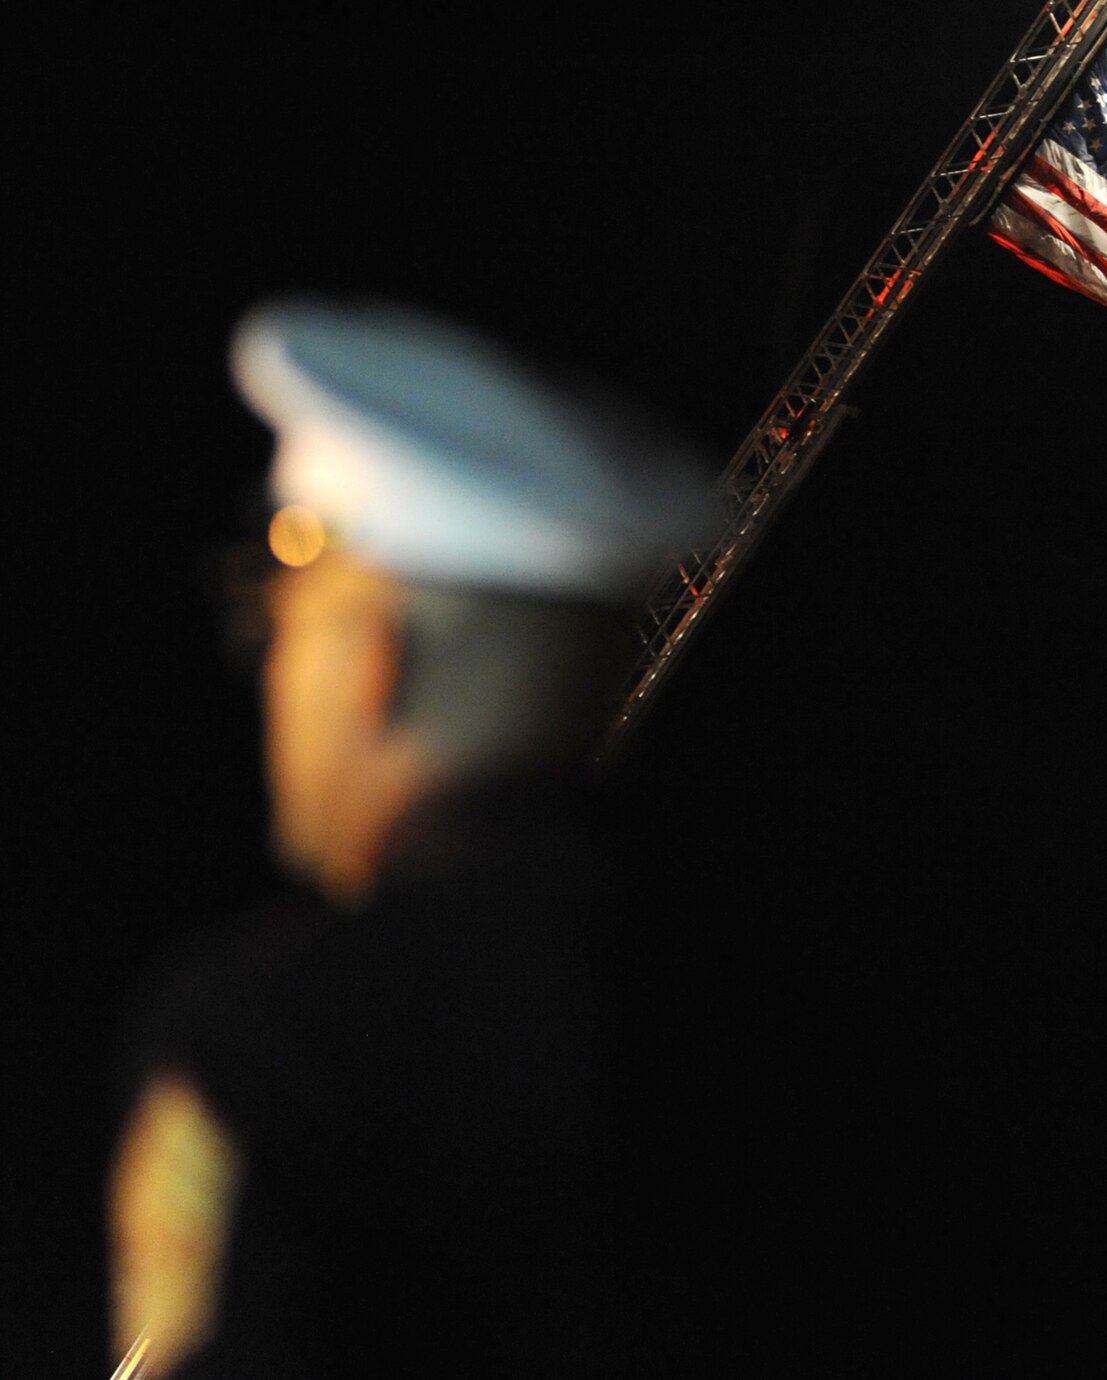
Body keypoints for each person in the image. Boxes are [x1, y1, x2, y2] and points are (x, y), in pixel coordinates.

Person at [106, 297, 718, 1379]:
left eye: (291, 629)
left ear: (373, 655)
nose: (272, 687)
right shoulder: (787, 1020)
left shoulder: (285, 1029)